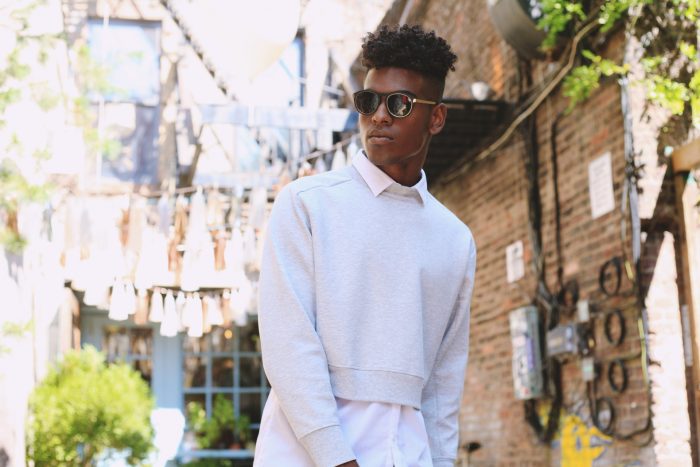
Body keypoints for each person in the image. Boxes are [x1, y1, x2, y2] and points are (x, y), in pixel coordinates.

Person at [253, 24, 477, 467]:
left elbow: (443, 381)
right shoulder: (307, 204)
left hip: (407, 452)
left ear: (436, 118)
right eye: (368, 101)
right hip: (304, 453)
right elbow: (288, 344)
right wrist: (336, 457)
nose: (379, 116)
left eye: (399, 104)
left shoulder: (454, 239)